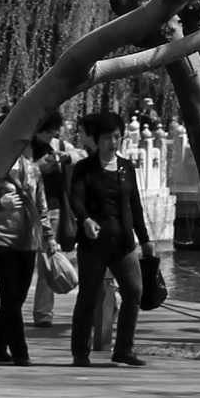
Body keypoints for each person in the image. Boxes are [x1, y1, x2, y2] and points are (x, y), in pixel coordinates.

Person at [67, 108, 151, 368]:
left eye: (116, 137)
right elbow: (76, 199)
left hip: (123, 242)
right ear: (97, 139)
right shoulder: (85, 168)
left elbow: (135, 205)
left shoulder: (126, 168)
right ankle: (80, 351)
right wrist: (86, 220)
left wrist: (145, 239)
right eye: (107, 138)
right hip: (94, 244)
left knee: (134, 291)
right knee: (88, 297)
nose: (112, 143)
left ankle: (123, 349)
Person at [0, 135, 50, 365]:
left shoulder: (32, 170)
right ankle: (20, 352)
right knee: (10, 296)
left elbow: (41, 205)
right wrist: (0, 204)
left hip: (28, 240)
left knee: (16, 299)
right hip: (0, 241)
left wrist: (48, 236)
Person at [30, 115, 69, 329]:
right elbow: (20, 174)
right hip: (30, 211)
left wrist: (65, 158)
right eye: (50, 131)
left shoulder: (58, 146)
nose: (53, 134)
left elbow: (78, 156)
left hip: (53, 209)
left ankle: (44, 312)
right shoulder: (26, 147)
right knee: (28, 262)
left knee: (47, 260)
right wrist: (38, 168)